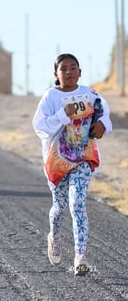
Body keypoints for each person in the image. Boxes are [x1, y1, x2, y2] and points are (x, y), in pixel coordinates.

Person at [32, 53, 112, 276]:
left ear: (80, 71)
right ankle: (55, 237)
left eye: (73, 67)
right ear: (55, 74)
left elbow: (103, 112)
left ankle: (80, 257)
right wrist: (62, 115)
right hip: (57, 161)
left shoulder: (89, 94)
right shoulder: (50, 97)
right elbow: (40, 127)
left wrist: (102, 125)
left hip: (83, 157)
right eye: (63, 69)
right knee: (59, 208)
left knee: (77, 203)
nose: (69, 72)